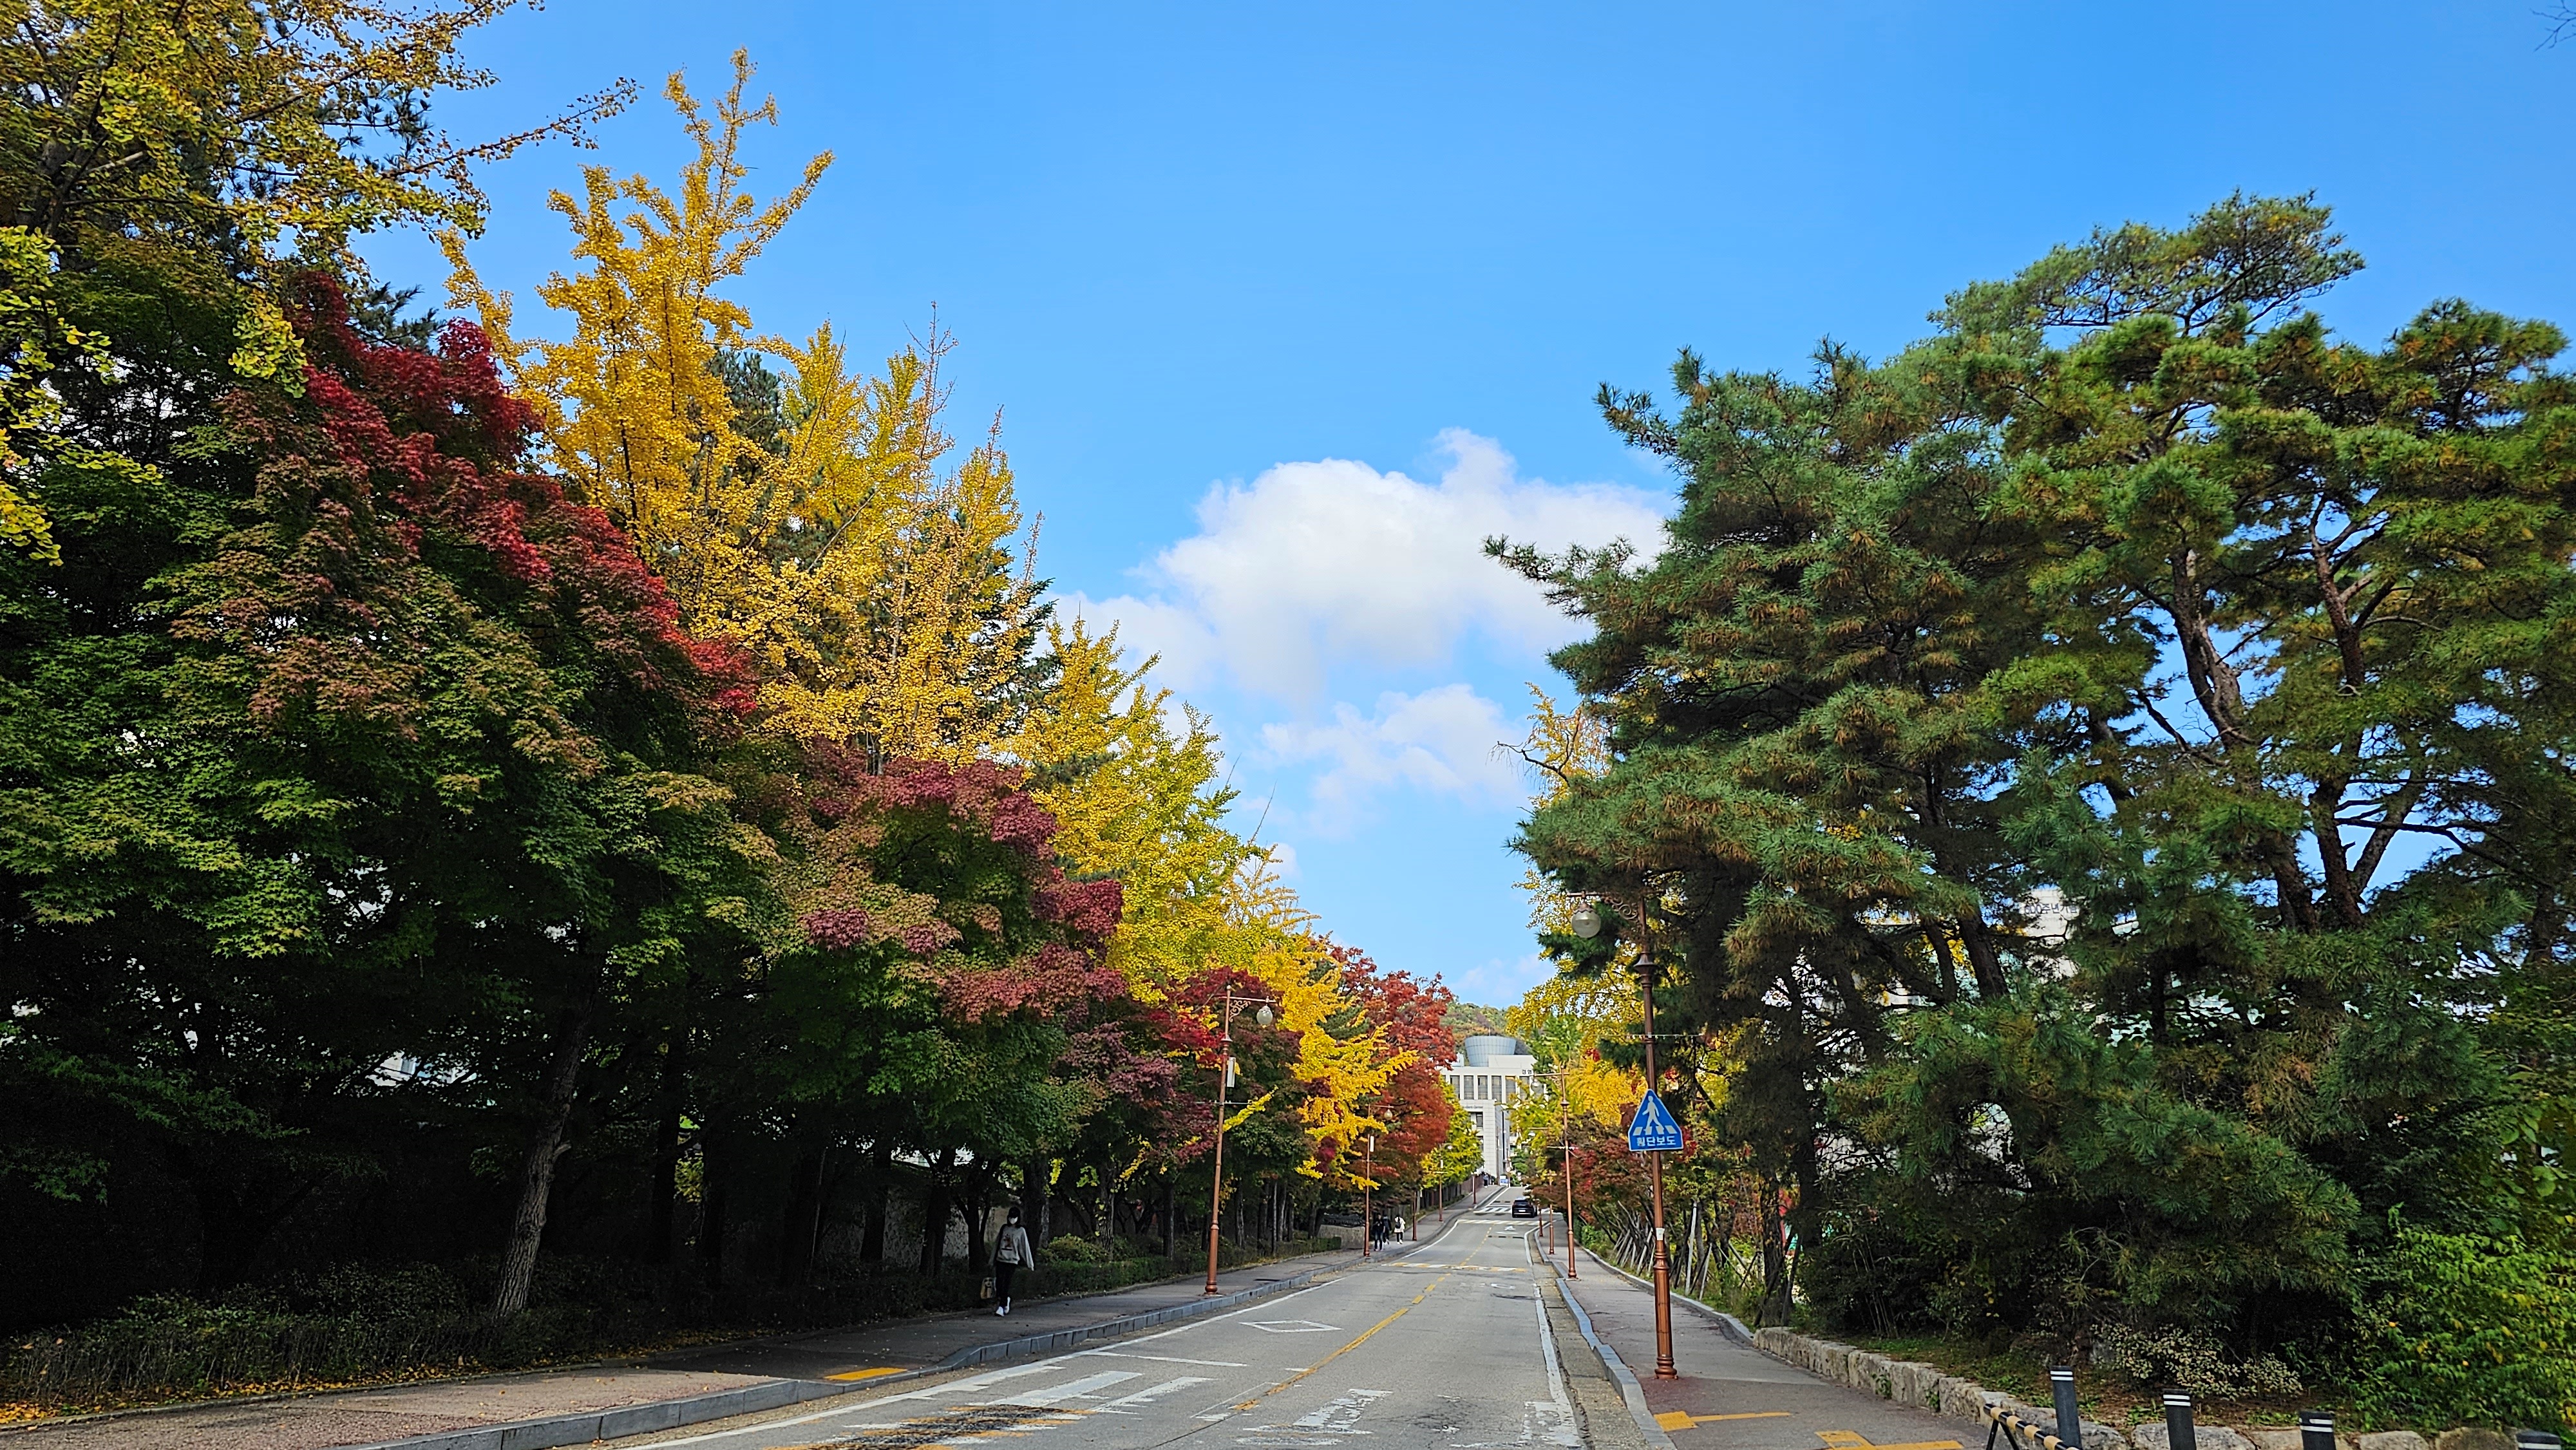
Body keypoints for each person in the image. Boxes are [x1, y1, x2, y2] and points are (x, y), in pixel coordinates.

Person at [992, 1206, 1032, 1317]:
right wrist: (992, 1260)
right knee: (999, 1283)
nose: (1012, 1219)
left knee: (1006, 1284)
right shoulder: (1004, 1229)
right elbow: (997, 1245)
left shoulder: (1021, 1231)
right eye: (1011, 1217)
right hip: (1001, 1259)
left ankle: (1001, 1306)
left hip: (1012, 1261)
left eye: (1014, 1217)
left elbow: (1025, 1248)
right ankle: (1005, 1301)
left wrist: (1030, 1264)